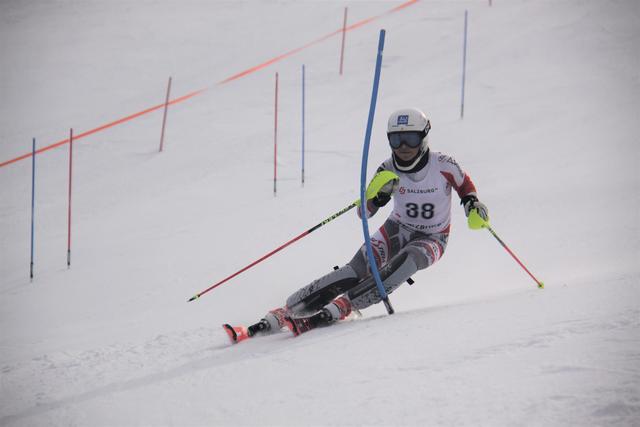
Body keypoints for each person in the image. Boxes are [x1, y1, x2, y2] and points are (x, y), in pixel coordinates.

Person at [225, 108, 489, 341]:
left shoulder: (443, 164)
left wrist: (473, 205)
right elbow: (365, 213)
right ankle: (287, 311)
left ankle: (344, 306)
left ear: (424, 137)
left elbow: (465, 187)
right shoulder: (387, 168)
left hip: (433, 237)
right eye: (396, 139)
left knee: (407, 261)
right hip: (396, 229)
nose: (404, 146)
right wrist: (379, 196)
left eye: (411, 138)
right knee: (355, 270)